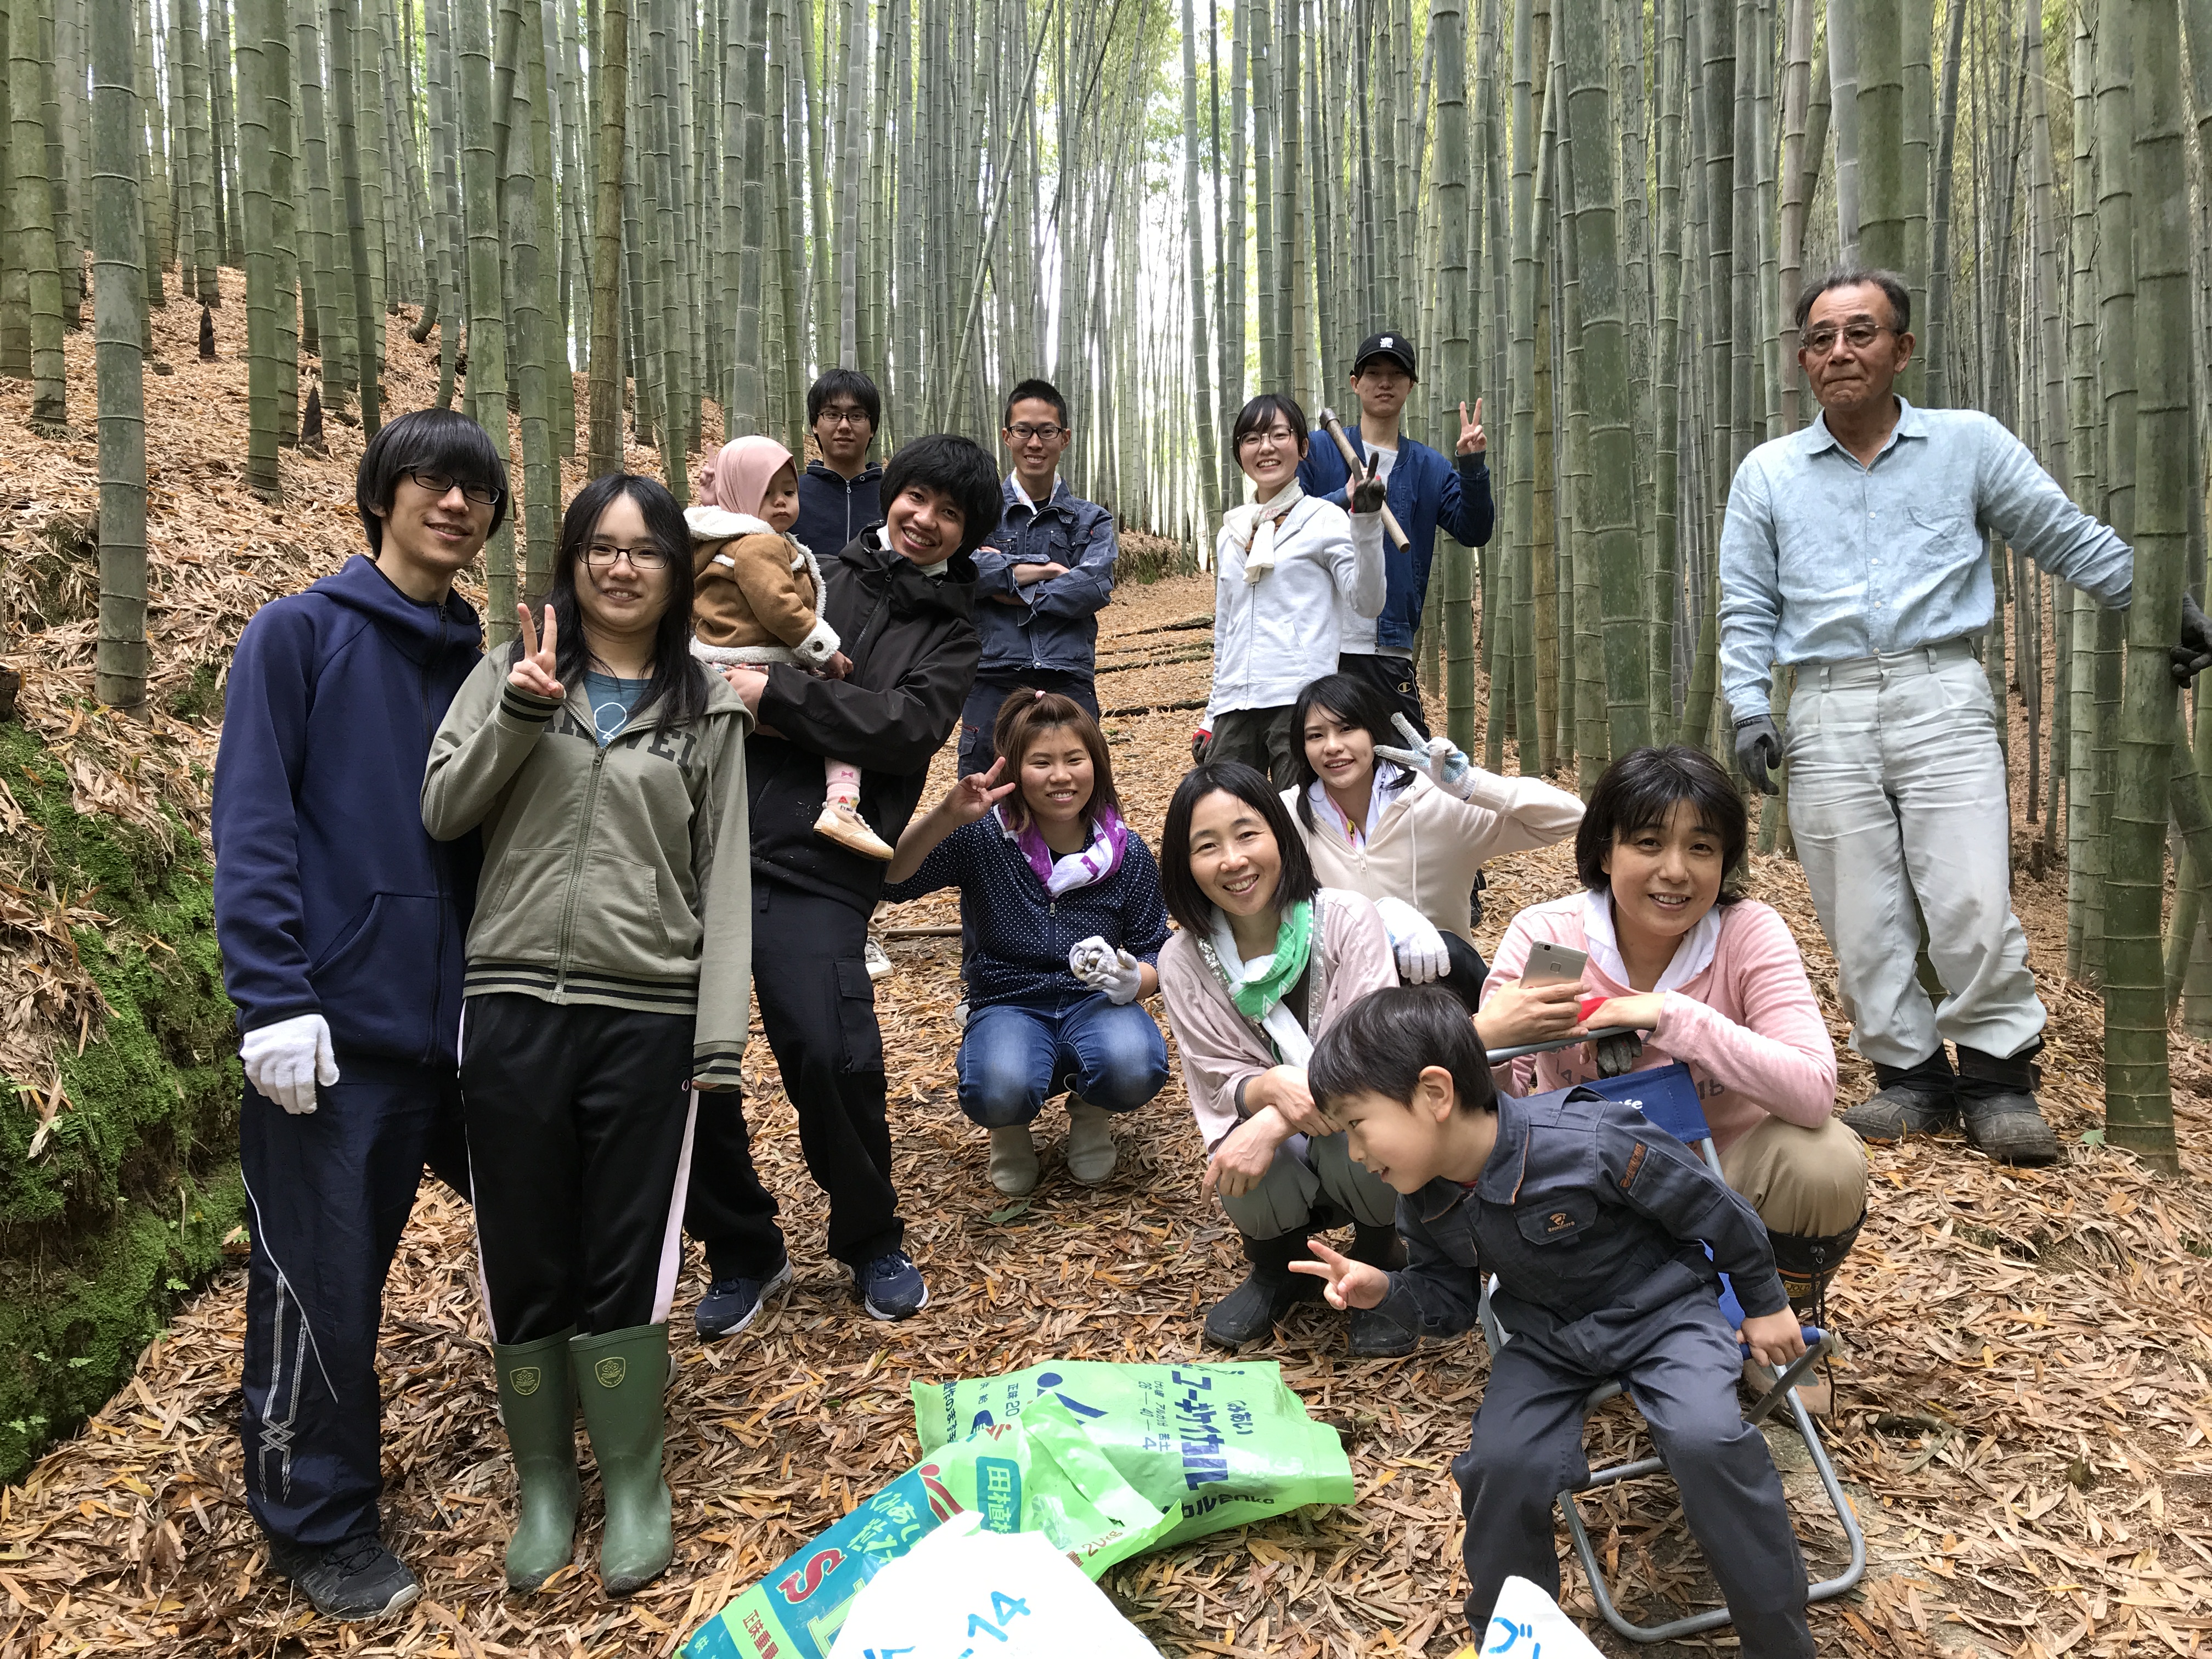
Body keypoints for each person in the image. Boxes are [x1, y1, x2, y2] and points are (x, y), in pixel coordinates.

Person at [1721, 265, 2212, 1166]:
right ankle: (1908, 1074)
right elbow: (1745, 604)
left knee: (1972, 895)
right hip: (1824, 701)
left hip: (1939, 689)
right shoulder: (1768, 474)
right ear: (1802, 359)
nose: (1841, 352)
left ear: (1901, 348)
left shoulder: (1966, 444)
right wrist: (1750, 709)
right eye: (1823, 338)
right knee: (1857, 907)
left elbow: (2058, 530)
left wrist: (2152, 603)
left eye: (1861, 332)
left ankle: (1995, 1078)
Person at [422, 473, 752, 1599]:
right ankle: (545, 1483)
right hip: (510, 999)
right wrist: (519, 709)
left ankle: (632, 1474)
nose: (621, 567)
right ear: (571, 561)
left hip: (647, 1012)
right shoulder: (509, 673)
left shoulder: (707, 702)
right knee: (523, 1243)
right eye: (600, 548)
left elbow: (724, 876)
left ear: (676, 571)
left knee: (625, 1246)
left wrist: (717, 1041)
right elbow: (443, 810)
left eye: (645, 550)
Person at [212, 409, 503, 1621]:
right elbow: (255, 821)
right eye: (428, 481)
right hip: (338, 1034)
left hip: (472, 1029)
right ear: (378, 496)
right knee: (323, 1281)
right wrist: (275, 997)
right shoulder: (300, 636)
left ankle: (575, 1440)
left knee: (571, 1216)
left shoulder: (485, 657)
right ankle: (315, 1517)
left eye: (474, 490)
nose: (452, 504)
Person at [1296, 985, 1817, 1658]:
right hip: (1550, 1339)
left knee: (1708, 1440)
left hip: (1664, 1314)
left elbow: (1717, 1210)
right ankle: (1511, 1640)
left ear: (1434, 1093)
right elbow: (1449, 1303)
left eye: (1356, 1125)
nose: (1356, 1153)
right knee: (1501, 1464)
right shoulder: (1420, 1198)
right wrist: (1385, 1291)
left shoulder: (1591, 1139)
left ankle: (1779, 1642)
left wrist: (1765, 1302)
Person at [683, 434, 1002, 1334]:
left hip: (824, 861)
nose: (924, 519)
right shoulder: (810, 566)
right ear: (891, 493)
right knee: (682, 1063)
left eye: (949, 512)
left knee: (831, 1049)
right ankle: (742, 1246)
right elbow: (720, 639)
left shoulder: (952, 631)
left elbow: (902, 728)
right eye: (916, 497)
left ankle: (870, 1235)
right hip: (710, 836)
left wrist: (770, 699)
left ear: (967, 534)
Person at [1482, 746, 1866, 1407]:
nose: (1675, 872)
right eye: (1649, 843)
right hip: (1584, 1198)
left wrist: (1671, 1016)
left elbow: (1813, 1089)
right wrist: (1488, 1036)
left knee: (1823, 1159)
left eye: (1702, 848)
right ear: (1605, 852)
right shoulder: (1549, 938)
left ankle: (1773, 1320)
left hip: (1719, 1188)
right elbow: (1479, 1110)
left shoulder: (1747, 934)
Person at [1154, 761, 1411, 1357]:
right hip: (1289, 1151)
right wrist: (1265, 1092)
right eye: (1206, 846)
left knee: (1356, 1127)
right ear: (1184, 864)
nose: (1233, 860)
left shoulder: (1347, 918)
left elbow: (1371, 1055)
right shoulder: (1182, 961)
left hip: (1354, 1123)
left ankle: (1382, 1253)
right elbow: (1218, 1080)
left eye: (1248, 834)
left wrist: (1274, 1116)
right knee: (1239, 1153)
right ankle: (1278, 1268)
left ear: (1280, 835)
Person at [883, 691, 1170, 1195]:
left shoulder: (1126, 853)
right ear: (1016, 770)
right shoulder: (984, 837)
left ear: (1096, 765)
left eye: (1074, 760)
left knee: (1134, 1065)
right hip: (1007, 1001)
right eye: (1042, 762)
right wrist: (946, 817)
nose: (1061, 776)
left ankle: (1091, 1109)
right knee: (998, 1086)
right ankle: (1009, 1127)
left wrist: (1133, 980)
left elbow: (1155, 949)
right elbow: (894, 880)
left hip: (1096, 1003)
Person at [1284, 672, 1583, 1017]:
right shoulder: (1288, 816)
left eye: (1347, 729)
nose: (1332, 746)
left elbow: (1569, 817)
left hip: (1446, 989)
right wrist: (1378, 915)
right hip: (1348, 1004)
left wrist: (1471, 786)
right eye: (1316, 736)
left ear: (1374, 731)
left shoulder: (1437, 804)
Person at [688, 434, 893, 859]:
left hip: (718, 662)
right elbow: (780, 608)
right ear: (740, 494)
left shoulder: (721, 537)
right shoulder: (759, 545)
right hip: (754, 663)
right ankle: (842, 807)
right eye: (766, 493)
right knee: (838, 723)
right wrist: (824, 650)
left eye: (789, 492)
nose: (782, 503)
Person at [1295, 329, 1494, 735]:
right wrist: (1342, 497)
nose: (1384, 383)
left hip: (1387, 648)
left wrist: (1472, 468)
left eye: (1396, 374)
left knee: (1409, 767)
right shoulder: (1317, 449)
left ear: (1411, 385)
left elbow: (1474, 530)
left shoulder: (1430, 467)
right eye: (1373, 373)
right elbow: (1287, 523)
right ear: (1355, 383)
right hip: (1317, 643)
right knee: (1319, 765)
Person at [1201, 393, 1389, 786]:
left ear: (1303, 447)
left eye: (1278, 434)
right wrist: (1210, 715)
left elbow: (1368, 603)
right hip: (1236, 705)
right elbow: (1226, 631)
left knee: (1304, 822)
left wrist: (1368, 525)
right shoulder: (1232, 532)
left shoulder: (1323, 519)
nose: (1265, 447)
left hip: (1301, 702)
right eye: (1252, 438)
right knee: (1232, 816)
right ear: (1240, 453)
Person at [957, 379, 1120, 780]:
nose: (1035, 443)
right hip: (994, 675)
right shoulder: (978, 513)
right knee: (984, 801)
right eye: (1024, 431)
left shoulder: (1091, 519)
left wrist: (1010, 585)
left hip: (1067, 675)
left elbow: (1093, 586)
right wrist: (1046, 570)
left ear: (1064, 438)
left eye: (1047, 431)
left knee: (1075, 798)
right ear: (1006, 436)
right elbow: (965, 573)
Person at [793, 367, 886, 560]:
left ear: (873, 429)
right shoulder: (791, 496)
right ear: (815, 426)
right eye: (832, 414)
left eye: (857, 416)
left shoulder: (893, 497)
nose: (844, 426)